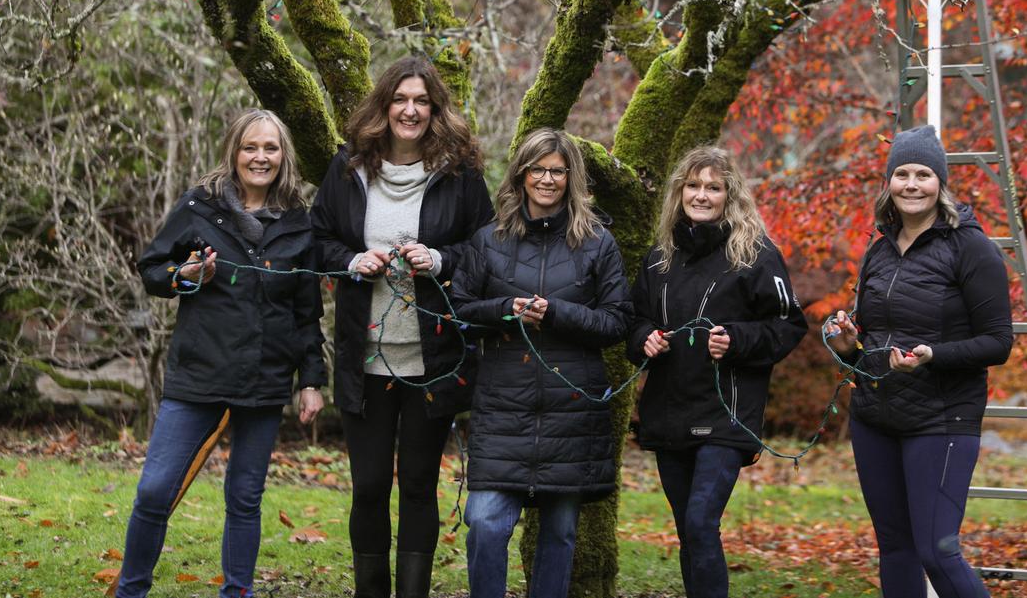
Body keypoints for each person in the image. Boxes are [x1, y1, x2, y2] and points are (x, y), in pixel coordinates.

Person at [122, 109, 326, 598]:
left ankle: (237, 591)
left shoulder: (299, 223)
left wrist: (312, 380)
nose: (260, 157)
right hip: (200, 372)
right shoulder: (199, 207)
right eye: (250, 147)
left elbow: (306, 311)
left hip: (265, 377)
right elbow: (152, 269)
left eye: (270, 148)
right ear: (234, 151)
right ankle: (131, 590)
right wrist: (185, 277)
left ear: (283, 156)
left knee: (245, 496)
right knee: (153, 491)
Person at [310, 56, 493, 598]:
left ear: (435, 109)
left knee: (418, 484)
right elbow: (318, 240)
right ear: (384, 105)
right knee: (368, 487)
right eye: (400, 100)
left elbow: (485, 251)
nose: (410, 111)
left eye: (421, 101)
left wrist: (439, 261)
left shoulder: (460, 175)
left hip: (430, 358)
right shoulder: (348, 169)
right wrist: (351, 261)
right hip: (363, 358)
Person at [825, 124, 1012, 598]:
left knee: (937, 550)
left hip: (942, 419)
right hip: (875, 416)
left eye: (923, 174)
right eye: (902, 173)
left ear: (941, 183)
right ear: (889, 182)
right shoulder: (879, 250)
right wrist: (849, 344)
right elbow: (870, 337)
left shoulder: (972, 248)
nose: (912, 184)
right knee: (896, 549)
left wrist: (933, 356)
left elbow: (998, 343)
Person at [451, 127, 632, 598]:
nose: (548, 179)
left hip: (572, 409)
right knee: (486, 522)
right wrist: (505, 310)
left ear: (571, 178)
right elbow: (460, 310)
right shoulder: (488, 240)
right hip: (503, 405)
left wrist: (556, 313)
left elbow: (617, 323)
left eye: (557, 171)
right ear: (522, 174)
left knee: (560, 535)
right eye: (538, 169)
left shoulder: (597, 243)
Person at [626, 145, 807, 598]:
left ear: (731, 195)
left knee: (702, 521)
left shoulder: (756, 254)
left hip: (728, 413)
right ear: (679, 192)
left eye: (713, 187)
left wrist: (738, 341)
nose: (701, 195)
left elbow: (789, 323)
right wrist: (643, 339)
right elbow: (634, 319)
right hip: (669, 410)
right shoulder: (659, 258)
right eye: (693, 186)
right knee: (689, 530)